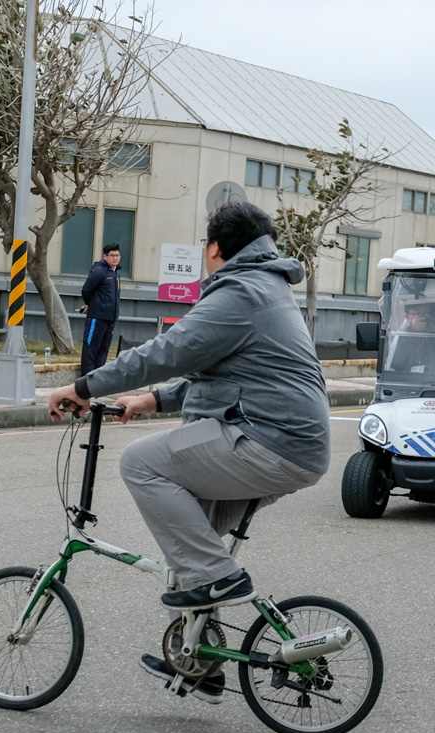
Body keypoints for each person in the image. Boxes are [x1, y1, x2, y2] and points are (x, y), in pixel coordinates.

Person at [47, 201, 330, 703]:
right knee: (189, 546)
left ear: (215, 247)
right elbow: (220, 375)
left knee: (141, 463)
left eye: (205, 245)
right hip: (290, 443)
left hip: (270, 441)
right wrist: (153, 398)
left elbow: (168, 352)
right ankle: (202, 664)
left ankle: (220, 579)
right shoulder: (268, 288)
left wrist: (84, 386)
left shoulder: (241, 291)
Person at [79, 243, 122, 375]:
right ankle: (86, 378)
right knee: (91, 346)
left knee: (104, 349)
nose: (115, 258)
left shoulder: (116, 273)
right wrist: (92, 304)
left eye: (117, 255)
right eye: (112, 255)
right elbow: (86, 290)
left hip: (111, 317)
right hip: (97, 316)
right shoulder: (99, 270)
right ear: (105, 256)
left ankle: (97, 377)